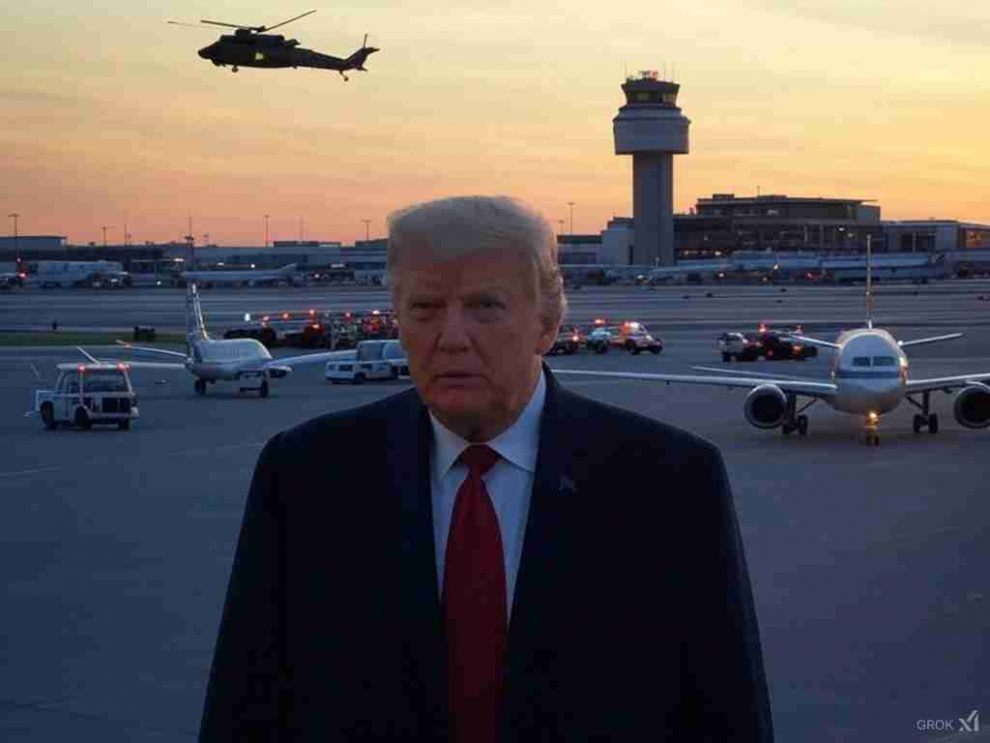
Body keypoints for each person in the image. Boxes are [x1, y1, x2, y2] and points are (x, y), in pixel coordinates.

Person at [199, 196, 774, 741]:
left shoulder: (668, 483)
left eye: (484, 307)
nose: (451, 338)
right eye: (424, 309)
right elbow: (244, 708)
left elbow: (727, 718)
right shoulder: (305, 477)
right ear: (397, 321)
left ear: (547, 324)